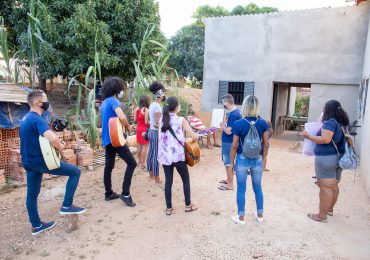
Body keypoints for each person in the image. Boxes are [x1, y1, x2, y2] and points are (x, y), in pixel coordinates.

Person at [20, 89, 85, 236]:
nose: (47, 103)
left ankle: (36, 225)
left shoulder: (25, 119)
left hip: (28, 162)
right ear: (38, 102)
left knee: (32, 194)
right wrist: (60, 146)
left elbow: (37, 140)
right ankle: (67, 205)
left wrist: (54, 142)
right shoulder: (37, 119)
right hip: (39, 162)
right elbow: (52, 138)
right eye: (45, 100)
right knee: (75, 172)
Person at [303, 100, 349, 222]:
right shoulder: (340, 123)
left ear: (327, 110)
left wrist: (309, 137)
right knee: (333, 186)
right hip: (338, 158)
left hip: (327, 158)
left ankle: (321, 215)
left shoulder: (330, 123)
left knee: (325, 188)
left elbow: (325, 139)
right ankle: (329, 209)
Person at [230, 95, 269, 226]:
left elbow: (234, 146)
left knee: (241, 189)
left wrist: (231, 163)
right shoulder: (263, 123)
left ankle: (241, 218)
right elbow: (266, 144)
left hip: (242, 159)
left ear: (245, 106)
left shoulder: (238, 124)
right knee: (258, 187)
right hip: (257, 159)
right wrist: (264, 160)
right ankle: (260, 216)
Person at [158, 96, 199, 215]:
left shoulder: (161, 120)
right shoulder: (181, 120)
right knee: (185, 179)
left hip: (165, 156)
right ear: (176, 107)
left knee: (168, 182)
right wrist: (192, 138)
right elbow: (194, 136)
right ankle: (187, 205)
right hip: (178, 156)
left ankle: (169, 208)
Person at [100, 77, 137, 206]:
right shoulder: (113, 101)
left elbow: (110, 120)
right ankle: (125, 194)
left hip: (107, 139)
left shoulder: (104, 103)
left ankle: (108, 193)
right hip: (116, 139)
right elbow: (121, 116)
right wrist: (128, 126)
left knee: (108, 167)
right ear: (117, 89)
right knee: (132, 163)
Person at [219, 94, 242, 191]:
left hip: (228, 142)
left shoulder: (234, 114)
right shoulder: (236, 112)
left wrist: (222, 125)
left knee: (228, 162)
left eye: (223, 103)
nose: (223, 105)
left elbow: (229, 131)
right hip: (230, 142)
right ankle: (229, 179)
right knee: (228, 162)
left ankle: (230, 184)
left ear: (227, 103)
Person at [147, 81, 166, 184]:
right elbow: (158, 124)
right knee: (155, 155)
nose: (164, 96)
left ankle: (151, 174)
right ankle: (157, 178)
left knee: (150, 153)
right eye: (163, 93)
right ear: (160, 94)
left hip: (150, 131)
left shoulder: (152, 105)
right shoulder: (158, 107)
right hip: (155, 132)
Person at [134, 95, 150, 169]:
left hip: (138, 128)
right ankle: (143, 163)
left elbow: (135, 119)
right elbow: (146, 122)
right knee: (145, 147)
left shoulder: (137, 109)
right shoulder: (146, 110)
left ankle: (138, 161)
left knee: (139, 146)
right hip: (144, 129)